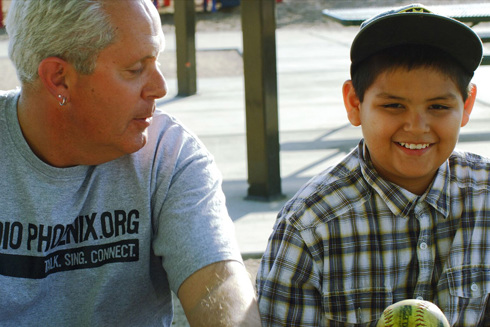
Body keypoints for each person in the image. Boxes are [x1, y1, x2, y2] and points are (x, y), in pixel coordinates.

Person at [1, 0, 260, 326]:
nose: (160, 87)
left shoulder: (170, 154)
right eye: (135, 69)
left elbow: (220, 283)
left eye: (157, 62)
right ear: (59, 78)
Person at [256, 3, 488, 326]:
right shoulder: (309, 229)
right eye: (393, 105)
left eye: (438, 106)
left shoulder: (485, 197)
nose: (417, 126)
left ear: (466, 106)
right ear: (354, 103)